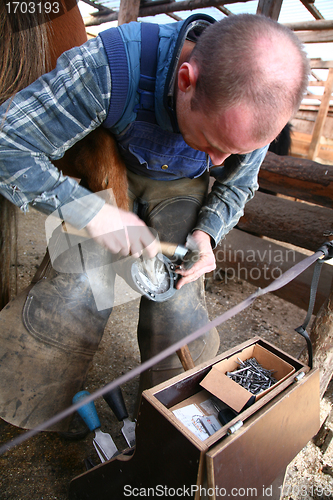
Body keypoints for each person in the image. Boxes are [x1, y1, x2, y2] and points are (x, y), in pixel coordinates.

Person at [0, 13, 309, 431]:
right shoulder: (107, 66)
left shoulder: (254, 108)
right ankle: (38, 403)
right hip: (108, 165)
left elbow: (237, 185)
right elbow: (8, 144)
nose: (218, 162)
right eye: (215, 144)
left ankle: (176, 416)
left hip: (179, 185)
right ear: (187, 80)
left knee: (175, 296)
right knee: (78, 284)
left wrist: (207, 233)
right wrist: (91, 212)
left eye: (232, 151)